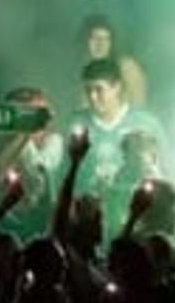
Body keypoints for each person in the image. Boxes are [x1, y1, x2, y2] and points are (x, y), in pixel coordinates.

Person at [68, 59, 166, 205]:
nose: (93, 97)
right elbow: (66, 174)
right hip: (90, 213)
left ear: (116, 87)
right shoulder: (76, 123)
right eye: (88, 90)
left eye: (99, 89)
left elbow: (163, 172)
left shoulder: (145, 124)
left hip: (135, 210)